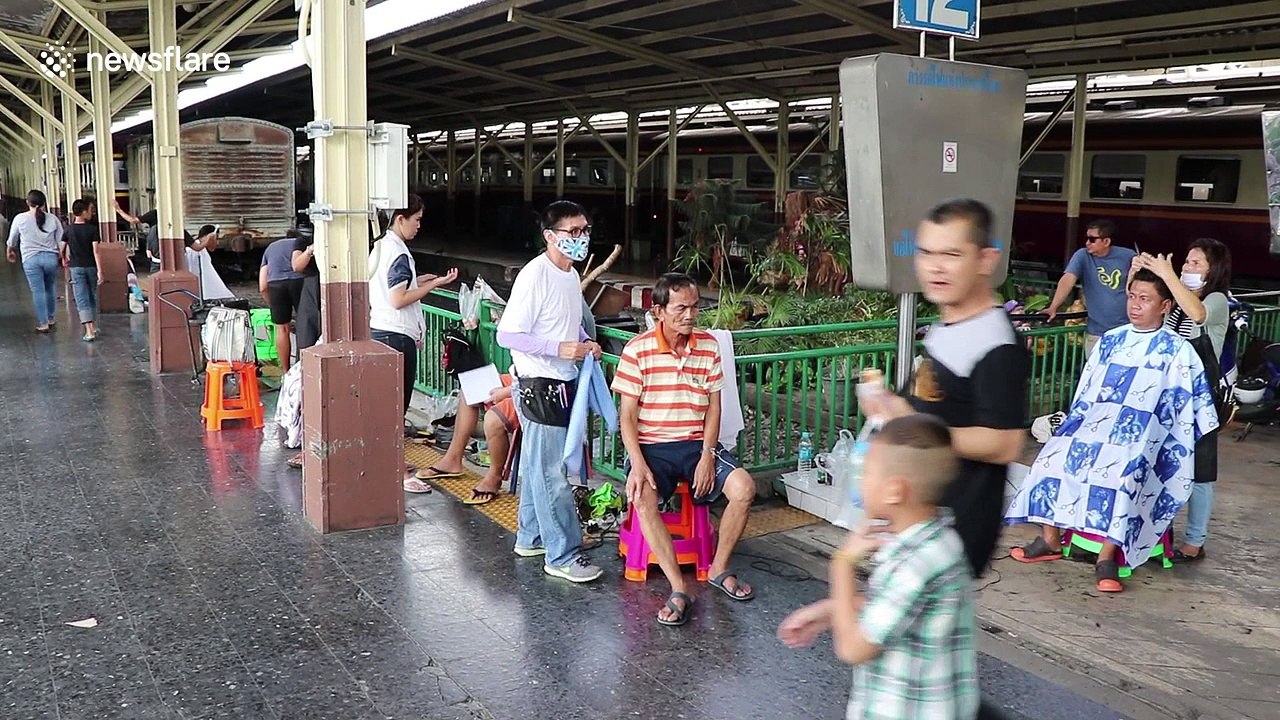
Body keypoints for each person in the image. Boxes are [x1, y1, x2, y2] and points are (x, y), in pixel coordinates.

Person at [1005, 270, 1220, 593]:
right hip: (1097, 425)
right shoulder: (1111, 340)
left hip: (1145, 437)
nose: (1135, 305)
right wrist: (1076, 428)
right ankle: (1050, 539)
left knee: (1121, 474)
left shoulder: (1178, 350)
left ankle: (1108, 557)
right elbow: (1086, 394)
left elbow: (1187, 409)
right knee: (1050, 460)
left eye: (1144, 299)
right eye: (1131, 296)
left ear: (1164, 306)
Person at [861, 199, 1030, 581]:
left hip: (950, 540)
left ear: (985, 260)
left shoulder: (997, 344)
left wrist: (913, 423)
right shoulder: (946, 325)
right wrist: (890, 404)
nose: (935, 267)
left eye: (952, 254)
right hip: (917, 526)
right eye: (926, 253)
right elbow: (936, 400)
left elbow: (1005, 444)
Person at [778, 414, 977, 720]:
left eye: (867, 471)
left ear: (894, 490)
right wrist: (830, 611)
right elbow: (900, 606)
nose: (859, 479)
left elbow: (853, 649)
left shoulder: (915, 563)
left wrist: (842, 565)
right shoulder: (940, 541)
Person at [612, 272, 757, 625]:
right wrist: (637, 464)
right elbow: (627, 417)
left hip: (695, 445)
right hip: (652, 447)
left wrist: (707, 455)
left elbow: (714, 408)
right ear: (659, 311)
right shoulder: (637, 350)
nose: (690, 315)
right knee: (642, 497)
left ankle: (719, 568)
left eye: (694, 307)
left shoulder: (708, 346)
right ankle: (679, 587)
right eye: (681, 308)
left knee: (744, 489)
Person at [496, 200, 603, 584]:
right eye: (573, 232)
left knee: (537, 467)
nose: (581, 238)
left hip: (560, 381)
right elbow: (507, 335)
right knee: (552, 474)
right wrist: (560, 349)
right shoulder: (535, 275)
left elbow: (564, 322)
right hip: (540, 385)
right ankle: (563, 554)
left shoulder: (570, 276)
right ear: (550, 236)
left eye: (584, 230)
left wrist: (584, 341)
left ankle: (532, 536)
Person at [1130, 239, 1233, 563]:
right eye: (1186, 261)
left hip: (1199, 398)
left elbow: (1198, 314)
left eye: (1196, 263)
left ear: (1214, 270)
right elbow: (1146, 313)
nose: (1187, 267)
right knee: (1159, 464)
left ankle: (1194, 541)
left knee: (1200, 471)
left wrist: (1168, 275)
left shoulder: (1217, 300)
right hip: (1168, 393)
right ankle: (1154, 533)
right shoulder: (1175, 299)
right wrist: (1138, 275)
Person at [368, 195, 458, 493]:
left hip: (380, 331)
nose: (419, 225)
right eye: (416, 219)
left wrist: (419, 280)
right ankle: (396, 470)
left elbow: (388, 288)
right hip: (397, 336)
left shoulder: (381, 246)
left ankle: (385, 463)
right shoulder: (399, 253)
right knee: (397, 408)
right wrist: (432, 285)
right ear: (400, 219)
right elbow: (398, 299)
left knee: (385, 407)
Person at [415, 376, 519, 506]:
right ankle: (452, 459)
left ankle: (495, 476)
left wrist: (507, 391)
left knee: (493, 420)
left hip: (533, 388)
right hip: (520, 380)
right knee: (470, 387)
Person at [1046, 219, 1136, 355]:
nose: (1087, 243)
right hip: (1097, 332)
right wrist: (1053, 307)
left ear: (1106, 241)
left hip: (1127, 330)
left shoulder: (1128, 256)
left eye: (1092, 239)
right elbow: (1068, 279)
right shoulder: (1082, 255)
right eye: (1087, 238)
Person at [6, 190, 64, 333]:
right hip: (51, 258)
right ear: (44, 203)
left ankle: (43, 323)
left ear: (27, 202)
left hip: (31, 260)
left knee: (38, 291)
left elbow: (12, 239)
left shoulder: (20, 218)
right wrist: (61, 255)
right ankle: (51, 318)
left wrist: (10, 251)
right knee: (50, 288)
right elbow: (61, 240)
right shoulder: (53, 219)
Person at [259, 234, 306, 371]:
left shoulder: (271, 247)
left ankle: (286, 372)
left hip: (276, 285)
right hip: (300, 282)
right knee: (304, 325)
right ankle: (304, 367)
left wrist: (272, 304)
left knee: (282, 329)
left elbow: (263, 286)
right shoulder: (301, 243)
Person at [62, 199, 102, 342]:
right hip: (91, 267)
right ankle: (94, 326)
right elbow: (96, 251)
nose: (91, 213)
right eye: (90, 210)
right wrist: (100, 270)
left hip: (76, 267)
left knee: (81, 298)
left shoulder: (68, 229)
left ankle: (89, 331)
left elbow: (62, 247)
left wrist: (63, 259)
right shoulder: (92, 229)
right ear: (84, 212)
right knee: (92, 296)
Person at [291, 225, 322, 352]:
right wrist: (310, 251)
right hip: (311, 285)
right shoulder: (303, 240)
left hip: (334, 281)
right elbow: (296, 266)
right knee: (307, 331)